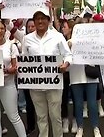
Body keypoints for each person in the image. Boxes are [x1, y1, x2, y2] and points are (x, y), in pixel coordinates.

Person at [22, 8, 72, 137]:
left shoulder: (57, 36)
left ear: (48, 21)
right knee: (41, 117)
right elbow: (24, 59)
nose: (40, 21)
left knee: (55, 116)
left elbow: (68, 55)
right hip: (36, 85)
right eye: (37, 19)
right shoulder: (27, 39)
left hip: (54, 84)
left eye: (42, 18)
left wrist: (65, 64)